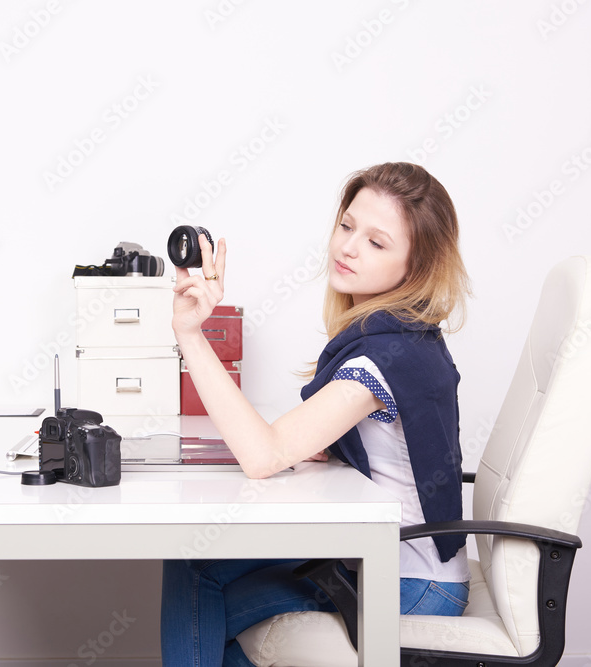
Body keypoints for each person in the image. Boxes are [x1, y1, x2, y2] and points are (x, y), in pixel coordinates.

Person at [160, 162, 472, 666]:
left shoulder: (384, 356)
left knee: (201, 600)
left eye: (377, 242)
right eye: (347, 226)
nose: (348, 247)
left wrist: (190, 334)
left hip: (411, 581)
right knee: (196, 567)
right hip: (373, 554)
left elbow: (263, 455)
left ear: (416, 267)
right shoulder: (398, 334)